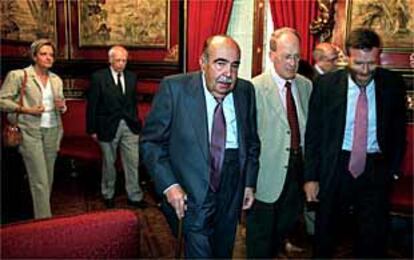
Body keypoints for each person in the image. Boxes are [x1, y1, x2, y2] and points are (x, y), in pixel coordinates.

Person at [140, 35, 260, 258]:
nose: (228, 74)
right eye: (220, 63)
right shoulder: (174, 89)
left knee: (223, 252)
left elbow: (252, 142)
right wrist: (170, 185)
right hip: (190, 194)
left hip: (231, 192)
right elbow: (151, 142)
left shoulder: (246, 91)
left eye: (234, 65)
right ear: (202, 62)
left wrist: (249, 183)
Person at [304, 28, 406, 258]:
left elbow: (398, 133)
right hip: (336, 166)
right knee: (325, 236)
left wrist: (393, 171)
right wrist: (311, 177)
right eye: (359, 63)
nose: (365, 70)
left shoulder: (392, 85)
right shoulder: (326, 85)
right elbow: (313, 134)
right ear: (346, 57)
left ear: (378, 57)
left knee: (372, 239)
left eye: (371, 63)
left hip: (375, 168)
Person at [246, 27, 313, 258]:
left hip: (296, 176)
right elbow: (248, 141)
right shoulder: (254, 89)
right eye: (287, 56)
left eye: (297, 56)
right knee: (259, 243)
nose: (293, 63)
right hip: (265, 178)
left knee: (281, 236)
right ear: (271, 54)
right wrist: (248, 183)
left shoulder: (306, 85)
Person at [0, 39, 66, 219]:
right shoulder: (19, 76)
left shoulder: (56, 79)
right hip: (30, 132)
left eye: (51, 54)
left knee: (48, 179)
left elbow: (61, 105)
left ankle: (40, 214)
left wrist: (62, 106)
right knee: (40, 180)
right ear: (34, 56)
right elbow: (2, 101)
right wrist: (26, 109)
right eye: (44, 54)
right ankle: (44, 222)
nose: (48, 58)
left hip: (52, 130)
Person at [86, 45, 146, 209]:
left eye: (124, 60)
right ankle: (108, 193)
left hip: (130, 126)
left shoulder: (132, 77)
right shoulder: (99, 77)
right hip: (107, 127)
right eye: (118, 60)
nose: (121, 64)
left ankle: (134, 195)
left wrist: (135, 121)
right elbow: (92, 105)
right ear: (110, 60)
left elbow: (133, 102)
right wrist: (92, 129)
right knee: (109, 163)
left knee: (132, 162)